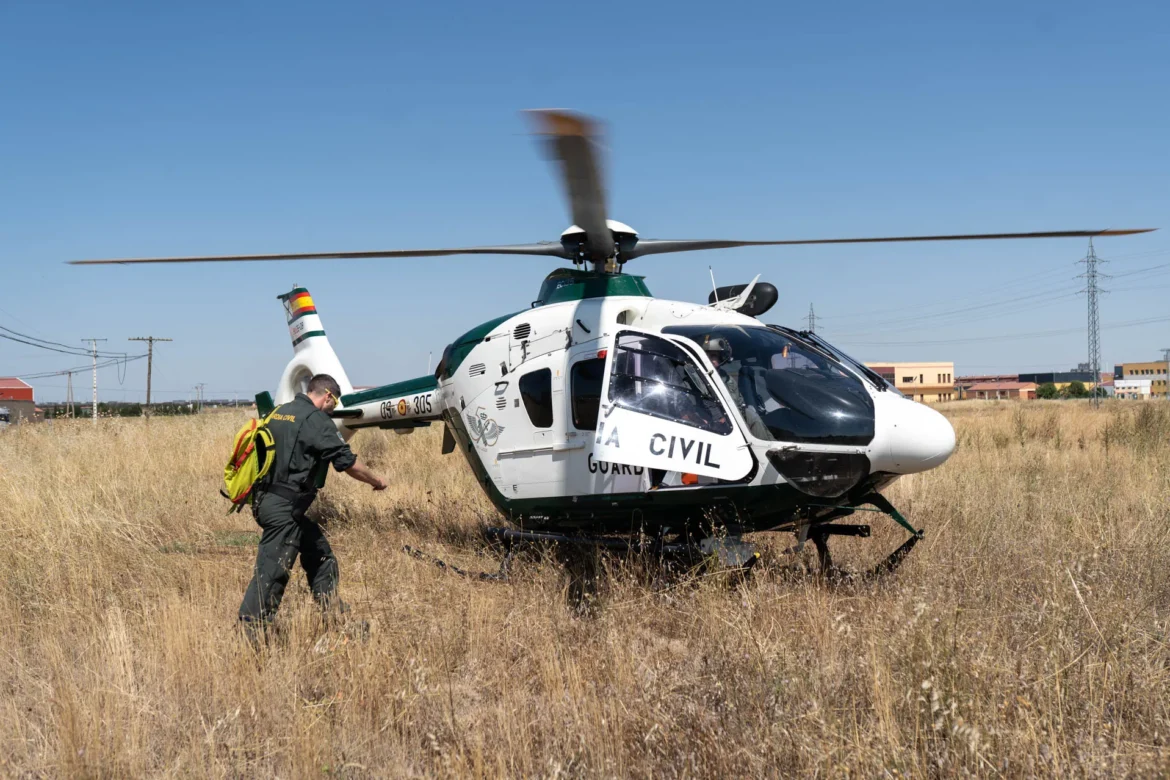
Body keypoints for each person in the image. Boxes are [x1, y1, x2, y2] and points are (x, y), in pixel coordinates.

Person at [238, 373, 387, 641]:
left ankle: (337, 621)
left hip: (265, 501)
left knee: (320, 555)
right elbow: (346, 462)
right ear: (327, 396)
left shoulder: (280, 412)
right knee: (271, 572)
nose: (334, 408)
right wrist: (377, 480)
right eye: (335, 402)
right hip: (284, 509)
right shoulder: (315, 420)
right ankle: (251, 637)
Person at [702, 335, 772, 440]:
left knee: (751, 415)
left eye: (713, 356)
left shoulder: (726, 379)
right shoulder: (693, 378)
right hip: (713, 430)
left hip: (733, 423)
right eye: (706, 356)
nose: (710, 361)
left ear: (720, 358)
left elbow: (739, 404)